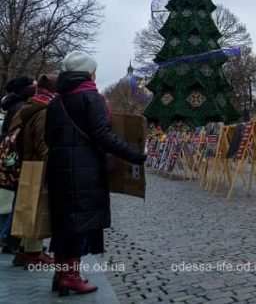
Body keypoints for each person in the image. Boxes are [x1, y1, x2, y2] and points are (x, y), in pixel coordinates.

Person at [46, 52, 146, 296]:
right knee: (79, 225)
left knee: (64, 224)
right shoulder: (91, 97)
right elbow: (103, 135)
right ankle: (71, 276)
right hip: (85, 172)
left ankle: (61, 275)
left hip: (58, 171)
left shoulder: (56, 101)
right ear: (88, 72)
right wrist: (135, 154)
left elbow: (49, 137)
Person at [7, 75, 58, 268]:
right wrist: (53, 163)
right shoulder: (44, 110)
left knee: (26, 207)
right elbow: (43, 143)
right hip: (37, 165)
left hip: (25, 163)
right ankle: (32, 253)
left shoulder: (28, 106)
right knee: (36, 210)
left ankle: (23, 250)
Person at [0, 77, 37, 256]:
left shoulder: (13, 105)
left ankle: (10, 238)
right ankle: (9, 238)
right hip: (18, 159)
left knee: (14, 199)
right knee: (18, 200)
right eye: (32, 83)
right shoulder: (21, 107)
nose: (35, 86)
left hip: (11, 158)